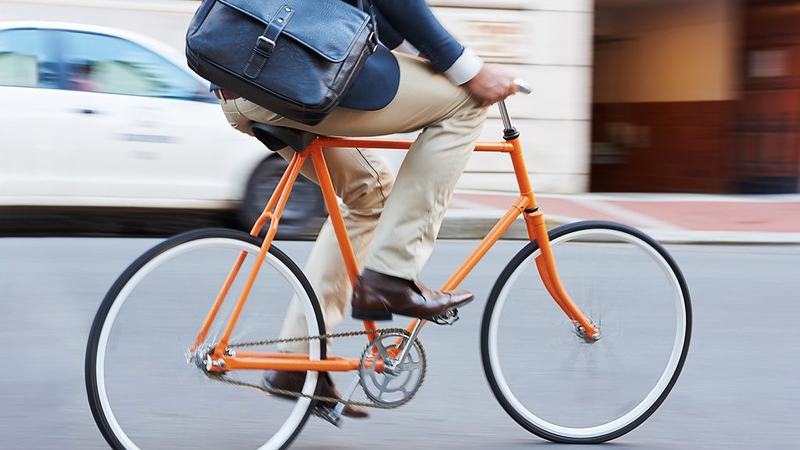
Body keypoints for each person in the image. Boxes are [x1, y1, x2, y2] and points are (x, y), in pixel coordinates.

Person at [214, 0, 518, 419]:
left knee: (370, 194)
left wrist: (426, 48)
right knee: (465, 103)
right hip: (291, 72)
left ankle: (297, 361)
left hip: (242, 79)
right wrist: (470, 69)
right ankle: (391, 276)